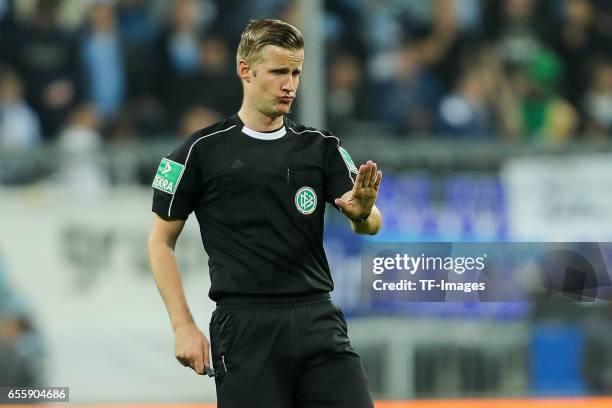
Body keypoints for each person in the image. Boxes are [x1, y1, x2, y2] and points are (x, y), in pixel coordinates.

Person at [147, 19, 382, 408]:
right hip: (244, 325)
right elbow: (159, 243)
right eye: (278, 72)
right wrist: (183, 325)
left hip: (317, 319)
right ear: (246, 70)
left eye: (296, 72)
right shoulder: (198, 152)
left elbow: (371, 225)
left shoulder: (320, 148)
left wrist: (362, 214)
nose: (289, 84)